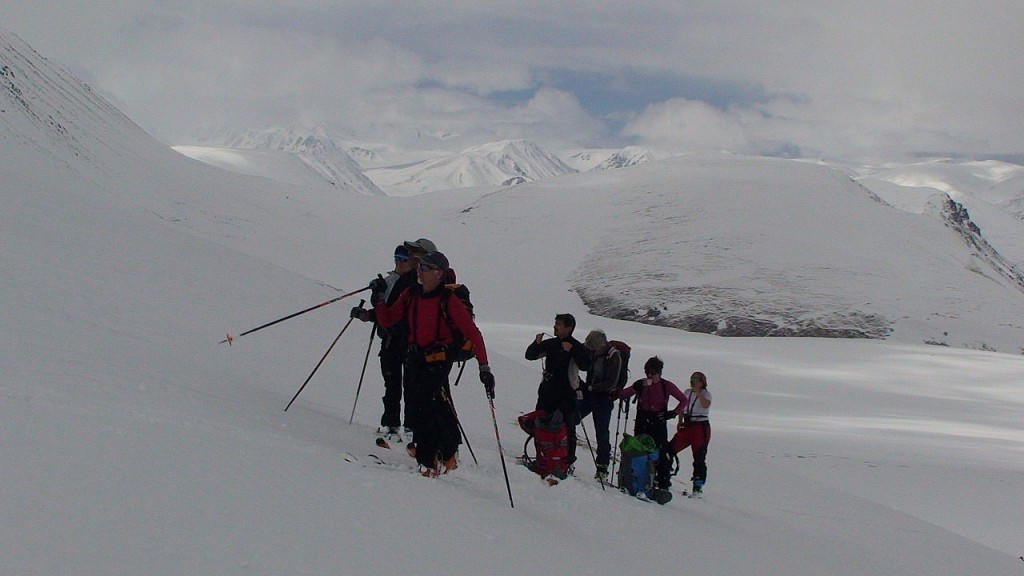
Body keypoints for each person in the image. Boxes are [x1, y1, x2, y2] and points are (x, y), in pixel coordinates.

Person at [373, 251, 494, 477]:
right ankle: (447, 453)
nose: (420, 271)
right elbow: (388, 319)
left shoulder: (449, 301)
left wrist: (484, 367)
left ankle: (428, 463)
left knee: (424, 409)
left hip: (438, 360)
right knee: (436, 406)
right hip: (416, 359)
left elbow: (473, 333)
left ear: (439, 273)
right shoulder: (412, 294)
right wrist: (379, 299)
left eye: (426, 268)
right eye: (420, 267)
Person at [351, 244, 417, 440]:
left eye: (403, 259)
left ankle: (410, 427)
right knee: (392, 384)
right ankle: (391, 424)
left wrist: (377, 300)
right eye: (396, 258)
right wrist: (366, 314)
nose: (399, 262)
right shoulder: (389, 281)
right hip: (390, 340)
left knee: (409, 385)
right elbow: (384, 312)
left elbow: (391, 313)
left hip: (407, 341)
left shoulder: (413, 283)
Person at [525, 313, 591, 474]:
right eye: (555, 323)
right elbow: (530, 355)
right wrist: (536, 343)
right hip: (548, 392)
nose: (555, 327)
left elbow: (585, 365)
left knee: (568, 427)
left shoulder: (576, 346)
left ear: (568, 328)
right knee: (542, 423)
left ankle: (567, 461)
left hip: (566, 393)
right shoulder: (551, 344)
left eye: (559, 324)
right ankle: (543, 458)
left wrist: (573, 350)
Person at [615, 356, 687, 501]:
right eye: (647, 372)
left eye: (652, 373)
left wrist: (672, 413)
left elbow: (684, 400)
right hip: (642, 420)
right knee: (640, 451)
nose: (649, 376)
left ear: (659, 373)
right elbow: (624, 394)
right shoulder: (641, 385)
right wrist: (628, 389)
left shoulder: (666, 386)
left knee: (661, 452)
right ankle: (638, 480)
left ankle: (663, 484)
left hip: (658, 422)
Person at [578, 329, 621, 481]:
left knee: (601, 432)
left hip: (603, 397)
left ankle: (602, 468)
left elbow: (611, 382)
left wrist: (592, 388)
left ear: (602, 344)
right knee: (572, 418)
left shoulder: (613, 355)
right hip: (590, 392)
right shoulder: (594, 350)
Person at [669, 371, 712, 495]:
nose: (694, 381)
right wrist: (680, 421)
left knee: (699, 456)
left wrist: (698, 392)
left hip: (700, 426)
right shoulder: (687, 392)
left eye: (697, 379)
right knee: (670, 448)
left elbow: (705, 405)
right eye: (693, 379)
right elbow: (682, 406)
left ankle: (698, 485)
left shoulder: (706, 394)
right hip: (688, 426)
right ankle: (664, 474)